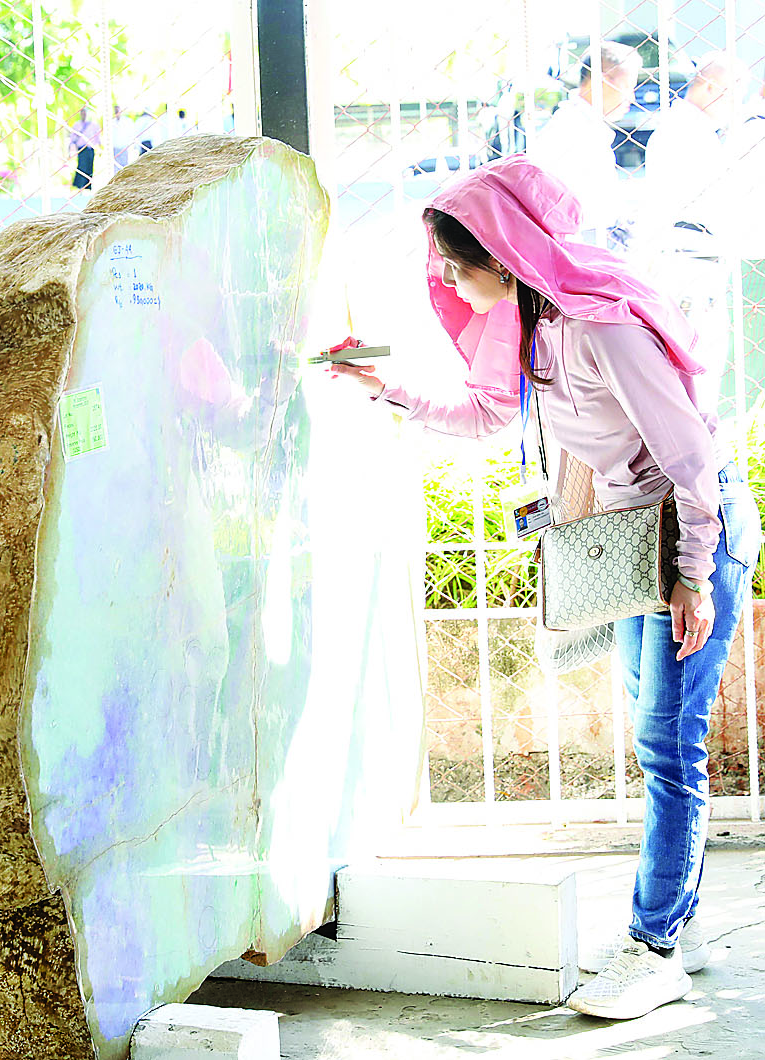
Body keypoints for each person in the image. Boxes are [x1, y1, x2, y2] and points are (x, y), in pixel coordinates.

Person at [328, 156, 756, 1022]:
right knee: (658, 739)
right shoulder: (528, 321)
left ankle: (655, 948)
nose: (449, 280)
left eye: (457, 265)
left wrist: (693, 575)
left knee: (667, 743)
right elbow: (486, 413)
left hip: (686, 532)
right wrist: (384, 390)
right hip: (635, 537)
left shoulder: (598, 326)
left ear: (503, 255)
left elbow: (689, 455)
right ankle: (675, 926)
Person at [641, 52, 753, 410]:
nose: (736, 106)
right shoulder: (685, 131)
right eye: (733, 94)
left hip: (692, 251)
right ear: (709, 87)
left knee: (695, 354)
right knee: (696, 356)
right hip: (691, 252)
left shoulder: (690, 128)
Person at [528, 40, 642, 245]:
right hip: (582, 241)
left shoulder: (584, 124)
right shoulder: (573, 129)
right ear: (601, 82)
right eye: (626, 86)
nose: (631, 98)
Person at [68, 106, 101, 190]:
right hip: (81, 148)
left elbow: (97, 136)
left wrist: (99, 146)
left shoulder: (93, 125)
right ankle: (80, 185)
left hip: (90, 148)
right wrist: (72, 146)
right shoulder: (77, 125)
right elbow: (73, 137)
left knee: (90, 166)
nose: (84, 115)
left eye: (85, 113)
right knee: (82, 166)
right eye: (82, 113)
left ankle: (88, 185)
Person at [111, 103, 136, 168]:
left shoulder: (127, 121)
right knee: (115, 167)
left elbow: (132, 134)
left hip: (125, 147)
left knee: (125, 166)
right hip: (114, 148)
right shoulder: (111, 122)